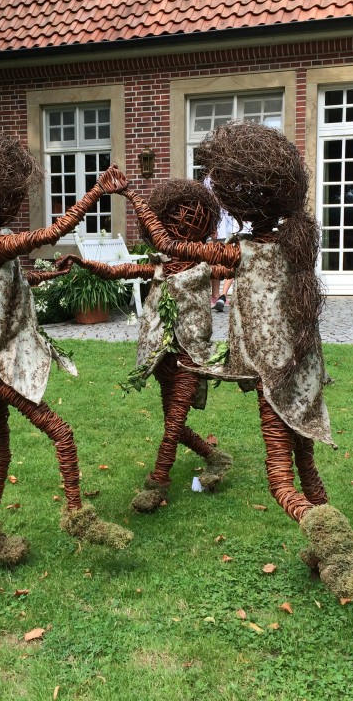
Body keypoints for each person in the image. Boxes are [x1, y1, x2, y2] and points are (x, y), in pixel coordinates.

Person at [123, 122, 353, 600]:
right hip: (303, 369)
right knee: (306, 463)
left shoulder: (243, 252)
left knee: (281, 480)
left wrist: (131, 193)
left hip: (271, 375)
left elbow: (171, 247)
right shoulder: (299, 241)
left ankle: (332, 547)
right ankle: (327, 549)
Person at [0, 127, 132, 567]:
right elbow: (53, 230)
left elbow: (16, 285)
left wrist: (56, 276)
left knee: (2, 452)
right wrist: (98, 189)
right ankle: (78, 514)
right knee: (61, 433)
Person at [56, 179, 241, 512]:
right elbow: (120, 270)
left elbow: (238, 266)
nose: (183, 222)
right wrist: (83, 263)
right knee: (174, 421)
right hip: (160, 353)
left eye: (191, 217)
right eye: (176, 217)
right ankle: (215, 456)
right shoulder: (158, 265)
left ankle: (158, 483)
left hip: (189, 354)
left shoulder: (204, 266)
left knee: (172, 425)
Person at [205, 175, 251, 312]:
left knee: (229, 259)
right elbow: (209, 204)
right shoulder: (211, 180)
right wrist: (212, 225)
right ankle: (218, 295)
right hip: (222, 225)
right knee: (218, 259)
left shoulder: (237, 175)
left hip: (233, 224)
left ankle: (220, 295)